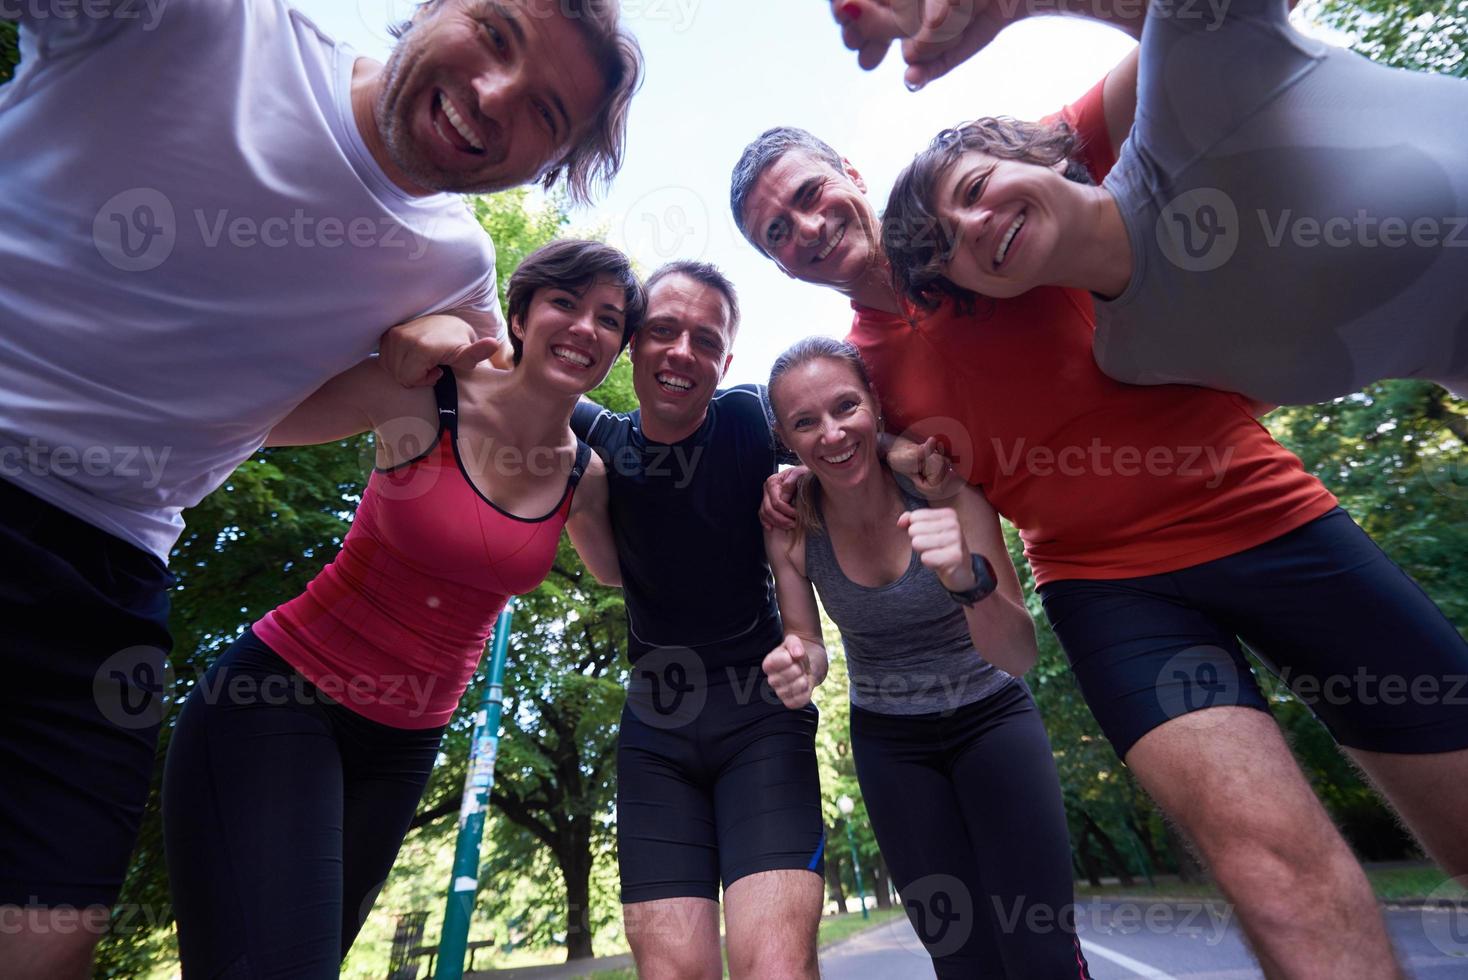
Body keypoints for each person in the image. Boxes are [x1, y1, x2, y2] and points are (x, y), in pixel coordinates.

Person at [732, 67, 1468, 978]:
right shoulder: (865, 383)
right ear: (777, 264)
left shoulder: (981, 187)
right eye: (778, 233)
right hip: (1109, 590)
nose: (806, 228)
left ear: (846, 169)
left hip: (1260, 509)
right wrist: (793, 493)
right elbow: (852, 453)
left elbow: (1186, 53)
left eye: (810, 195)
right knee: (1272, 874)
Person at [0, 0, 639, 973]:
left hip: (113, 568)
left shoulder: (450, 261)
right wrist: (413, 363)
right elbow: (471, 372)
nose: (495, 94)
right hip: (277, 691)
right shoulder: (203, 24)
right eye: (496, 33)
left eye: (548, 113)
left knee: (46, 948)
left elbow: (276, 418)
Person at [159, 240, 641, 976]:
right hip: (280, 699)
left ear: (617, 352)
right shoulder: (426, 394)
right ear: (518, 315)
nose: (585, 327)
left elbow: (625, 572)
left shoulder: (586, 473)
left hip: (404, 744)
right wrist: (402, 325)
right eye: (566, 303)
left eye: (609, 319)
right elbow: (256, 413)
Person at [875, 0, 1468, 404]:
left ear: (1039, 154)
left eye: (973, 189)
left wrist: (1014, 4)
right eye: (946, 246)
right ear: (976, 292)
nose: (974, 224)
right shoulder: (1131, 358)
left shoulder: (1190, 101)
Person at [762, 336, 1092, 979]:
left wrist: (967, 582)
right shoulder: (792, 524)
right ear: (786, 438)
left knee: (1039, 950)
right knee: (961, 957)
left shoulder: (943, 488)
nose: (832, 433)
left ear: (875, 408)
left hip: (993, 718)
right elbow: (810, 643)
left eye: (845, 407)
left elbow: (1019, 653)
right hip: (892, 744)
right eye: (806, 422)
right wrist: (799, 666)